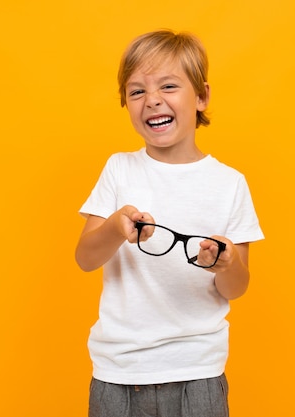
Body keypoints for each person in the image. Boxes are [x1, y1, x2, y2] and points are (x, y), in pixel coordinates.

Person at [75, 29, 264, 417]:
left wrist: (226, 263)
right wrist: (113, 227)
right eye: (137, 91)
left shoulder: (230, 184)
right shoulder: (119, 170)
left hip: (199, 373)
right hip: (119, 371)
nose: (153, 100)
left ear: (201, 97)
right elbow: (85, 258)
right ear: (125, 103)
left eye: (168, 85)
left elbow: (237, 288)